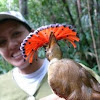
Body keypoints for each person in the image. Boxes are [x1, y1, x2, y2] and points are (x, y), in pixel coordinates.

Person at [0, 11, 65, 100]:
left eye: (16, 34)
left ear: (34, 35)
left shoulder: (74, 72)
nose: (11, 45)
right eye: (2, 42)